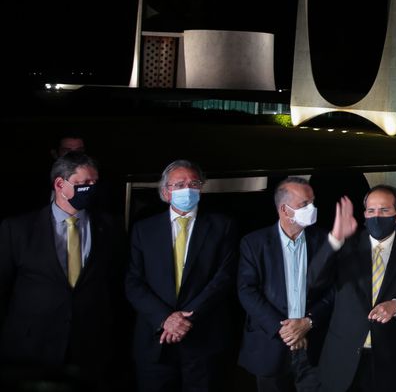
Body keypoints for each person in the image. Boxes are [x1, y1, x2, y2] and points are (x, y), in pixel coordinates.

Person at [0, 151, 127, 390]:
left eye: (94, 183)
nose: (91, 188)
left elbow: (115, 283)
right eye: (84, 183)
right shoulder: (17, 229)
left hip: (90, 345)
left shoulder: (110, 227)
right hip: (31, 347)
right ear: (60, 184)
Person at [125, 160, 239, 392]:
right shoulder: (143, 229)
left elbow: (223, 278)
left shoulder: (222, 226)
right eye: (179, 184)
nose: (188, 189)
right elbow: (133, 282)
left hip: (203, 341)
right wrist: (165, 318)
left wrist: (186, 320)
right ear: (166, 192)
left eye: (194, 183)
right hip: (155, 342)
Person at [313, 185, 396, 392]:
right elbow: (313, 282)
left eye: (383, 210)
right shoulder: (345, 246)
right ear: (364, 215)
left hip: (388, 362)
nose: (376, 216)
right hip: (341, 359)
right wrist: (335, 239)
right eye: (371, 211)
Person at [238, 177, 334, 391]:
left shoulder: (324, 240)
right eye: (304, 205)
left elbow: (334, 289)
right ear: (285, 209)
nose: (312, 208)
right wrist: (286, 331)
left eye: (313, 202)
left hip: (314, 346)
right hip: (269, 347)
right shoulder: (254, 243)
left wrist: (307, 323)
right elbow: (247, 291)